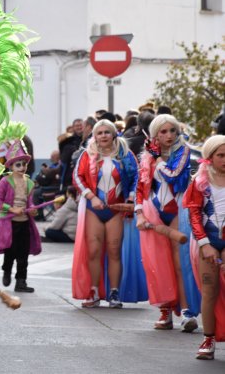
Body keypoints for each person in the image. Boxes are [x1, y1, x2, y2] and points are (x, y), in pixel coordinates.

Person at [135, 114, 201, 331]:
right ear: (155, 134)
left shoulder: (183, 151)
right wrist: (139, 213)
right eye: (163, 132)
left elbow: (174, 174)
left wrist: (158, 161)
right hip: (153, 209)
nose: (169, 135)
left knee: (180, 263)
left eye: (172, 130)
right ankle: (165, 311)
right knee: (156, 264)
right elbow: (140, 187)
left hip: (177, 209)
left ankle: (187, 312)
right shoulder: (146, 157)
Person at [72, 119, 141, 308]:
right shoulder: (88, 155)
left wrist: (131, 198)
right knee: (93, 251)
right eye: (99, 133)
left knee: (114, 250)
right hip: (94, 210)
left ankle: (114, 292)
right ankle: (94, 290)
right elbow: (77, 177)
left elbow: (137, 176)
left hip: (116, 210)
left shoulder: (126, 155)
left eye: (107, 132)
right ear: (95, 136)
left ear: (114, 134)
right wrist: (91, 197)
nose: (103, 136)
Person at [183, 135, 225, 360]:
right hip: (206, 241)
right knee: (209, 290)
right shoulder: (200, 181)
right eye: (221, 155)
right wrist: (205, 244)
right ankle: (208, 339)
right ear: (209, 157)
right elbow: (193, 213)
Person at [0, 132, 42, 292]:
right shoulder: (5, 181)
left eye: (24, 164)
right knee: (10, 251)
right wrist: (11, 209)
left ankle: (21, 282)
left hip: (24, 223)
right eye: (18, 164)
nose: (22, 167)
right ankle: (6, 270)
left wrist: (32, 209)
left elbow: (30, 202)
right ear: (11, 166)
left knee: (23, 253)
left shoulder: (30, 183)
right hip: (9, 223)